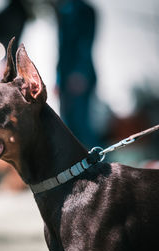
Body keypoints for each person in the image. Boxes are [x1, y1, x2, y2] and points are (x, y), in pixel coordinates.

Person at [55, 0, 99, 148]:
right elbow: (62, 50)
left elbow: (85, 43)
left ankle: (102, 165)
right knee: (68, 127)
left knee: (81, 126)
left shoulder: (84, 10)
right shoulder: (63, 9)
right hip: (66, 77)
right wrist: (59, 80)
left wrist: (80, 72)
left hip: (79, 76)